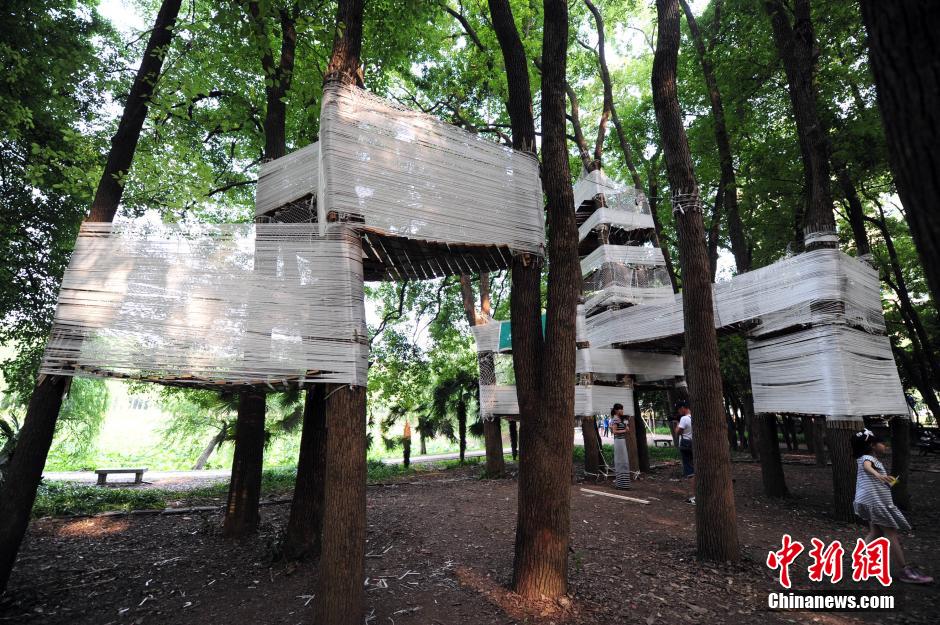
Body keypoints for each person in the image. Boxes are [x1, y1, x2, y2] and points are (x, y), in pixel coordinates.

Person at [852, 430, 932, 584]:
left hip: (868, 501)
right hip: (875, 502)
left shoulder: (865, 458)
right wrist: (878, 475)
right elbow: (867, 466)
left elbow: (870, 474)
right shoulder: (867, 458)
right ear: (871, 445)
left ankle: (860, 559)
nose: (885, 445)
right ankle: (905, 571)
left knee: (875, 532)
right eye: (882, 443)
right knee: (891, 533)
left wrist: (886, 481)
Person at [674, 400, 695, 504]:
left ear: (683, 408)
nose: (678, 412)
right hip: (694, 444)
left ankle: (695, 496)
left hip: (686, 444)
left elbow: (678, 432)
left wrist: (677, 423)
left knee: (690, 471)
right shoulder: (694, 416)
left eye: (679, 409)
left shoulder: (684, 418)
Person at [610, 403, 631, 489]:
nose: (622, 411)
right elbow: (614, 432)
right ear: (616, 410)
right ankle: (620, 484)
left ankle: (625, 484)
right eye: (620, 409)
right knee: (620, 461)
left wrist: (626, 425)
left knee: (624, 461)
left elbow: (627, 430)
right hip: (618, 441)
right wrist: (624, 431)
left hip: (622, 441)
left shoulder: (621, 419)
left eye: (622, 409)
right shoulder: (615, 419)